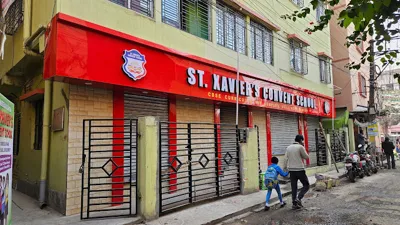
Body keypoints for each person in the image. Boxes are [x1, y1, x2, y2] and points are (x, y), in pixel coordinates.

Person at [284, 134, 310, 210]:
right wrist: (303, 147)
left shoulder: (288, 147)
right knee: (306, 185)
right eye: (303, 140)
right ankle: (298, 198)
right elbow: (306, 157)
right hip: (300, 170)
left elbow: (285, 159)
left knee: (294, 187)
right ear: (301, 140)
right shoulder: (300, 147)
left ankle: (294, 204)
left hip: (291, 170)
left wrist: (285, 168)